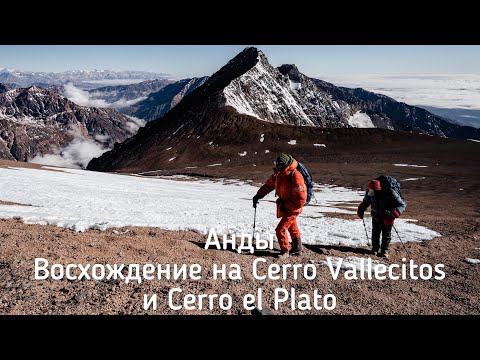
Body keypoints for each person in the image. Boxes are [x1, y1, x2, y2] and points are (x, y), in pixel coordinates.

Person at [252, 153, 307, 259]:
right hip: (285, 205)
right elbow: (268, 185)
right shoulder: (278, 174)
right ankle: (297, 248)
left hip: (293, 208)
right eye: (276, 164)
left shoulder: (295, 176)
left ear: (286, 165)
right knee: (292, 227)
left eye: (280, 165)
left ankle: (285, 251)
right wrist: (258, 195)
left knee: (280, 229)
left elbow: (301, 199)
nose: (277, 167)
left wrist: (287, 206)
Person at [357, 179, 406, 259]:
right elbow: (366, 201)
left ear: (378, 189)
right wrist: (361, 209)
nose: (370, 192)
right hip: (376, 215)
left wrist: (393, 215)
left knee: (386, 234)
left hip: (388, 216)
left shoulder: (390, 192)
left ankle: (384, 251)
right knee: (375, 232)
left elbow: (402, 205)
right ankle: (375, 249)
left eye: (372, 190)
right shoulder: (370, 191)